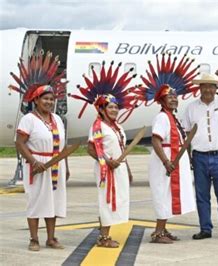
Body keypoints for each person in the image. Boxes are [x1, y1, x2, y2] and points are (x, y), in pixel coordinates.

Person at [73, 62, 137, 248]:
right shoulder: (98, 126)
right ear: (101, 109)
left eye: (116, 107)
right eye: (110, 107)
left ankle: (106, 234)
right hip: (105, 169)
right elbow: (91, 148)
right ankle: (103, 238)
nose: (115, 110)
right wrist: (107, 162)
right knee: (106, 201)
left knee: (118, 201)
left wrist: (128, 168)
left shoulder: (117, 127)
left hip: (120, 168)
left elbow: (122, 149)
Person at [137, 54, 198, 244]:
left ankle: (163, 229)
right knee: (163, 195)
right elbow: (156, 141)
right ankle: (157, 233)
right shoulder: (162, 118)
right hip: (164, 162)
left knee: (169, 194)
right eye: (168, 97)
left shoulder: (173, 118)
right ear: (162, 101)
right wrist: (166, 161)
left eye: (174, 96)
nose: (173, 99)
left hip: (173, 161)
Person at [11, 51, 69, 251]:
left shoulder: (57, 119)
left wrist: (65, 165)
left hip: (55, 166)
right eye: (45, 99)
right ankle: (34, 239)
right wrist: (34, 162)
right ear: (36, 100)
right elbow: (20, 143)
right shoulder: (29, 119)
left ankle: (51, 238)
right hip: (37, 167)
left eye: (52, 99)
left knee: (53, 203)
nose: (49, 102)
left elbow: (61, 146)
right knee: (36, 203)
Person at [183, 70, 218, 241]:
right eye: (204, 86)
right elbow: (187, 133)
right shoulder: (191, 107)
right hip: (199, 157)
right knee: (202, 195)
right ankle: (205, 228)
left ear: (216, 89)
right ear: (199, 88)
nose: (207, 90)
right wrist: (188, 156)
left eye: (211, 86)